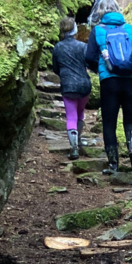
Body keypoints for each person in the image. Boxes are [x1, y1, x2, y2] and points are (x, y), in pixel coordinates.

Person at [85, 0, 132, 174]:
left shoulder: (98, 30)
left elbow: (89, 57)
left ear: (100, 11)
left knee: (109, 122)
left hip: (110, 81)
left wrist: (98, 70)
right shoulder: (129, 29)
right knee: (130, 120)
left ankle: (113, 164)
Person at [52, 16, 92, 161]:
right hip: (84, 85)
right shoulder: (82, 46)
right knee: (80, 113)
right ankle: (78, 139)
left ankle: (73, 147)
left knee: (71, 115)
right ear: (75, 30)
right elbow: (89, 63)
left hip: (68, 86)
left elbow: (55, 68)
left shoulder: (58, 47)